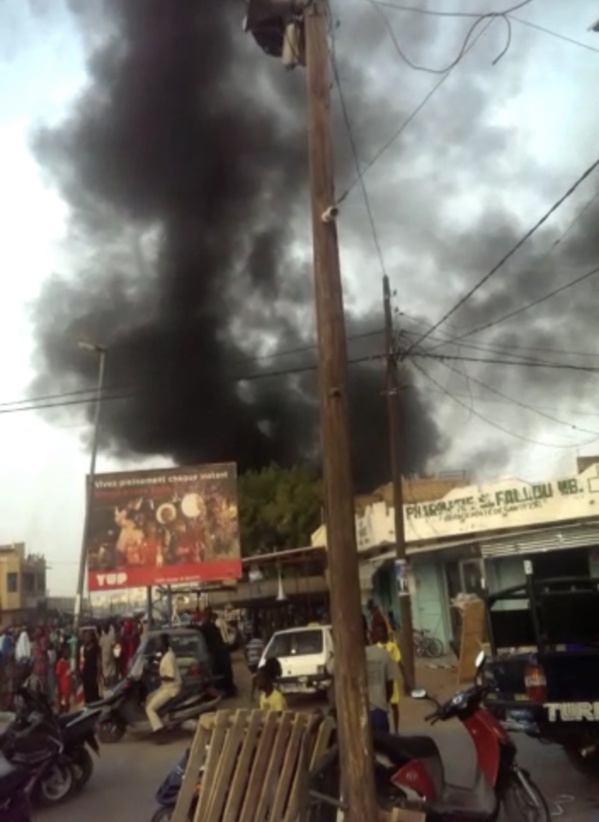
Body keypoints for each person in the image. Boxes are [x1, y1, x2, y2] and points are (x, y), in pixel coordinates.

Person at [145, 633, 182, 742]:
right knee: (149, 698)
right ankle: (159, 721)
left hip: (171, 688)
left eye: (158, 642)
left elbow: (170, 677)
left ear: (163, 644)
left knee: (149, 708)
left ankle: (159, 729)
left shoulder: (169, 657)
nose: (157, 645)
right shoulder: (165, 654)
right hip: (165, 687)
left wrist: (158, 677)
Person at [373, 623, 404, 733]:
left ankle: (396, 730)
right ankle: (386, 730)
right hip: (380, 682)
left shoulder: (392, 646)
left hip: (391, 679)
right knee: (382, 706)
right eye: (378, 632)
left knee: (394, 705)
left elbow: (399, 661)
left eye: (383, 631)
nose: (381, 634)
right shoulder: (376, 648)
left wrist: (405, 679)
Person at [80, 630, 101, 704]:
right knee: (87, 691)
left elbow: (98, 662)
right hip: (86, 672)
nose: (86, 638)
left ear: (91, 637)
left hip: (93, 672)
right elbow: (82, 660)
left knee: (93, 692)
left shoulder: (95, 648)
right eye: (85, 636)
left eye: (87, 636)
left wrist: (98, 675)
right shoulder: (84, 648)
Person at [99, 624, 117, 689]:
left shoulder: (102, 638)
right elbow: (114, 645)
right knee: (111, 671)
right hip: (110, 655)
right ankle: (111, 686)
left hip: (104, 656)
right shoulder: (111, 637)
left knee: (106, 671)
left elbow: (100, 647)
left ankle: (107, 685)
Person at [55, 648, 71, 714]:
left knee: (67, 698)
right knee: (63, 699)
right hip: (63, 684)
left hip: (67, 683)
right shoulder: (60, 663)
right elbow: (58, 674)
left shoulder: (66, 662)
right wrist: (58, 685)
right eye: (65, 652)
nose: (67, 654)